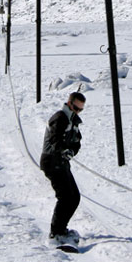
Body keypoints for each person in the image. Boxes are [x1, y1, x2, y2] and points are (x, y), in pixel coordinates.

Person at [40, 91, 85, 246]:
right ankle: (55, 234)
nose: (76, 111)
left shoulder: (74, 121)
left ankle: (62, 229)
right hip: (51, 161)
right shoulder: (60, 117)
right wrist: (62, 150)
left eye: (80, 109)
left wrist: (72, 151)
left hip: (62, 162)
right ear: (69, 103)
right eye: (75, 107)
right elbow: (54, 138)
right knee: (65, 197)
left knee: (74, 197)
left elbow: (77, 142)